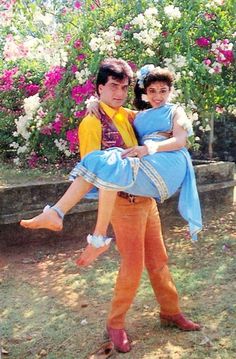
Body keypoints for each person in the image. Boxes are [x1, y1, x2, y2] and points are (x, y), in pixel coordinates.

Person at [21, 58, 201, 353]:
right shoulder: (92, 122)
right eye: (112, 87)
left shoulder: (128, 115)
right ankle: (115, 324)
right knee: (133, 264)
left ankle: (170, 311)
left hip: (146, 201)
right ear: (100, 87)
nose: (118, 93)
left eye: (123, 87)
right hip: (123, 204)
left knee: (158, 260)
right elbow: (93, 173)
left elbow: (158, 115)